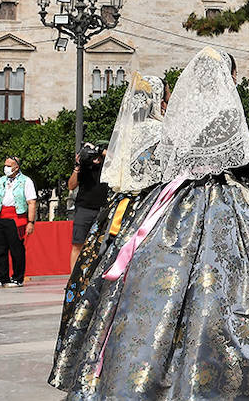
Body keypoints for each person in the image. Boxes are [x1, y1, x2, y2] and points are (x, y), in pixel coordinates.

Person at [63, 48, 249, 400]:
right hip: (219, 202)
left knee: (156, 292)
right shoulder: (224, 111)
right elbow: (238, 166)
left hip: (171, 205)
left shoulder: (181, 114)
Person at [50, 73, 166, 392]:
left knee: (100, 280)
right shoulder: (161, 132)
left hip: (114, 214)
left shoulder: (124, 134)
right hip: (149, 209)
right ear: (156, 100)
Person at [0, 156, 36, 288]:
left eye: (9, 165)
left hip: (16, 218)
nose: (6, 168)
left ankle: (18, 278)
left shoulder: (26, 181)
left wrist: (30, 222)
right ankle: (2, 278)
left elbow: (31, 202)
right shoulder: (1, 180)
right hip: (1, 217)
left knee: (16, 249)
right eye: (5, 165)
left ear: (16, 167)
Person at [66, 141, 109, 269]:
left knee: (100, 245)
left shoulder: (108, 165)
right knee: (78, 244)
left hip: (102, 209)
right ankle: (72, 280)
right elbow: (71, 185)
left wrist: (98, 150)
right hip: (84, 209)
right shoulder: (85, 166)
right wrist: (77, 167)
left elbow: (114, 156)